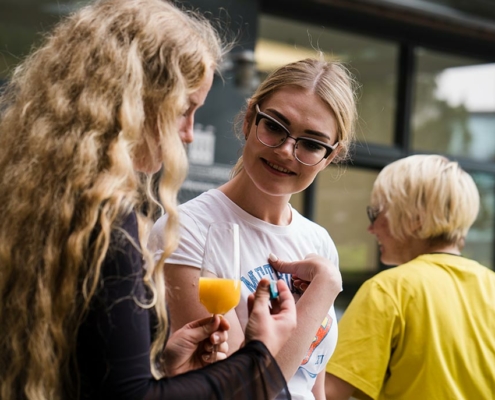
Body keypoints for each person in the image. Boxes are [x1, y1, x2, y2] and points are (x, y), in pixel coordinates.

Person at [0, 1, 298, 399]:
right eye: (184, 110)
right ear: (136, 101)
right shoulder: (106, 222)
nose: (189, 133)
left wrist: (163, 367)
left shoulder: (29, 194)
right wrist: (259, 356)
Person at [149, 57, 357, 400]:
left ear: (329, 157)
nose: (287, 151)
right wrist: (324, 290)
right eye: (275, 126)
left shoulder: (318, 242)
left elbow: (312, 381)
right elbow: (238, 388)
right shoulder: (187, 230)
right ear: (249, 120)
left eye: (311, 143)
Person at [324, 154, 495, 400]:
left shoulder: (388, 289)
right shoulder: (491, 286)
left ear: (415, 220)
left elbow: (327, 394)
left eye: (375, 214)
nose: (370, 228)